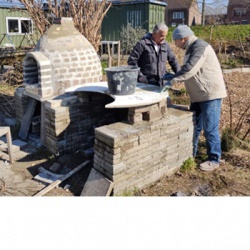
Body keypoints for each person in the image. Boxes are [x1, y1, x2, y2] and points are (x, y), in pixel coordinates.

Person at [166, 25, 227, 172]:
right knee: (195, 126)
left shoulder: (200, 46)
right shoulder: (190, 49)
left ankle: (214, 159)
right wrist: (171, 74)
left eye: (176, 41)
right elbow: (186, 67)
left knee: (210, 128)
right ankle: (190, 154)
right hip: (198, 95)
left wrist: (172, 80)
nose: (175, 44)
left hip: (210, 94)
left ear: (184, 38)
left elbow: (190, 69)